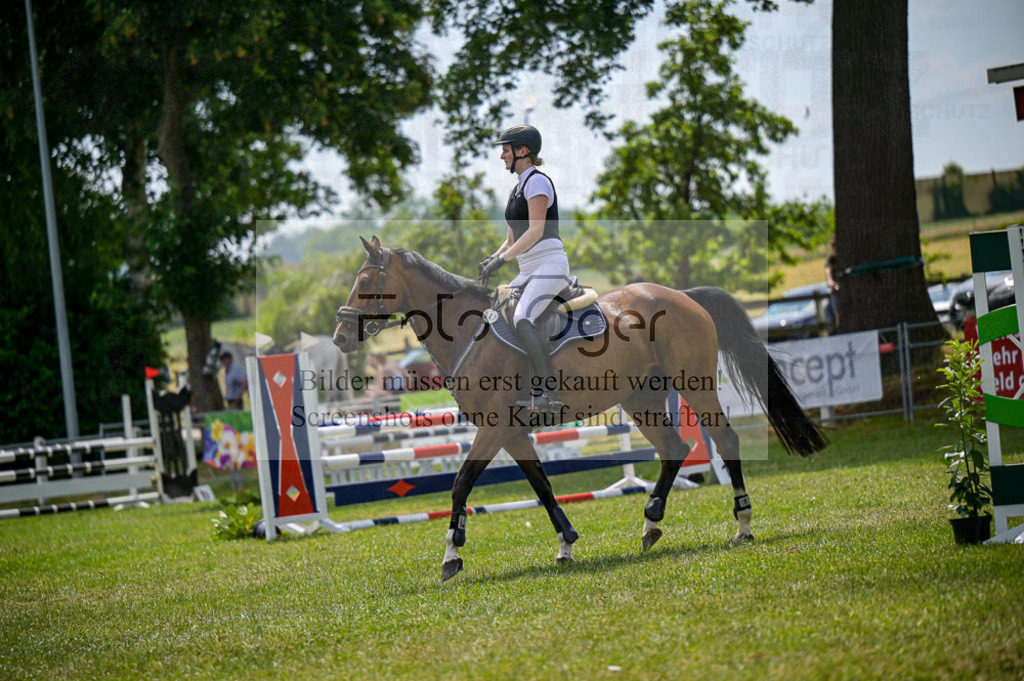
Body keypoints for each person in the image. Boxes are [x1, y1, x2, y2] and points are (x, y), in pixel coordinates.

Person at [477, 125, 570, 413]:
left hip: (550, 264)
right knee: (494, 313)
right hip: (527, 268)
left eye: (506, 149)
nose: (502, 155)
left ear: (522, 151)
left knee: (521, 317)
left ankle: (551, 395)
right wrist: (491, 258)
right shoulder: (515, 189)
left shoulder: (537, 183)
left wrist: (502, 261)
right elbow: (511, 239)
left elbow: (535, 231)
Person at [825, 236, 840, 327]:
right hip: (837, 288)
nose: (834, 247)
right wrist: (830, 281)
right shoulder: (832, 258)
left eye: (835, 245)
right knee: (837, 310)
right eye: (832, 245)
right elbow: (828, 271)